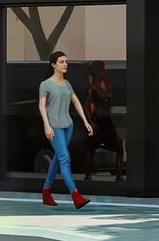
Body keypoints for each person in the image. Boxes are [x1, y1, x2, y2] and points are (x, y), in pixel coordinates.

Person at [37, 50, 91, 208]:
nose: (65, 64)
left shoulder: (67, 84)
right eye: (61, 62)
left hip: (68, 126)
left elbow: (76, 102)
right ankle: (76, 195)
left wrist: (85, 121)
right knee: (65, 159)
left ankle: (46, 191)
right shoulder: (45, 85)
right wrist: (47, 125)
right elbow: (42, 106)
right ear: (53, 64)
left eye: (66, 61)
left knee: (58, 158)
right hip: (54, 127)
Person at [81, 61, 125, 184]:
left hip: (108, 121)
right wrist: (89, 122)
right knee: (91, 148)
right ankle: (88, 175)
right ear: (98, 72)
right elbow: (85, 106)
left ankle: (119, 175)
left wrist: (112, 122)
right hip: (98, 121)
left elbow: (109, 106)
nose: (106, 72)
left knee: (119, 148)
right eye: (104, 70)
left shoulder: (108, 86)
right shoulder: (93, 88)